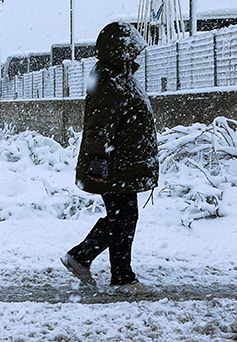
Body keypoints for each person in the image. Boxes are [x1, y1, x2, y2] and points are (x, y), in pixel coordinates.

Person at [61, 21, 159, 296]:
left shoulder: (119, 74)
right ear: (120, 49)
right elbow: (99, 122)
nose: (137, 54)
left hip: (122, 162)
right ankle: (120, 277)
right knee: (123, 216)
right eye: (132, 49)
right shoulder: (109, 78)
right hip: (114, 163)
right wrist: (97, 158)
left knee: (121, 216)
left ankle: (83, 258)